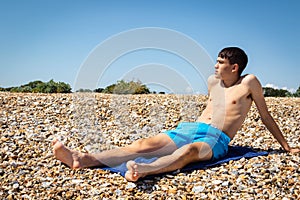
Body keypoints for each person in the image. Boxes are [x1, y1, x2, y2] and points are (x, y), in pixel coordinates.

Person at [52, 47, 299, 182]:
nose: (215, 66)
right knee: (144, 144)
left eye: (220, 62)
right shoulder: (213, 81)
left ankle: (144, 170)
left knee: (189, 153)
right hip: (191, 128)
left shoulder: (249, 83)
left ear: (234, 67)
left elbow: (265, 116)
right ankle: (82, 159)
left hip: (216, 139)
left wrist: (285, 147)